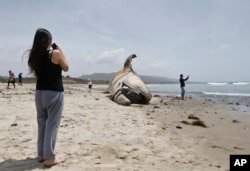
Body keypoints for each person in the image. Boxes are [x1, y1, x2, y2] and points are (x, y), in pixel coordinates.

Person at [27, 28, 69, 167]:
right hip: (54, 92)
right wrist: (59, 48)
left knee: (42, 123)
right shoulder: (55, 53)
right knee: (52, 124)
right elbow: (66, 67)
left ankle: (42, 154)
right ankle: (50, 157)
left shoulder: (34, 56)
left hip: (39, 93)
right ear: (49, 41)